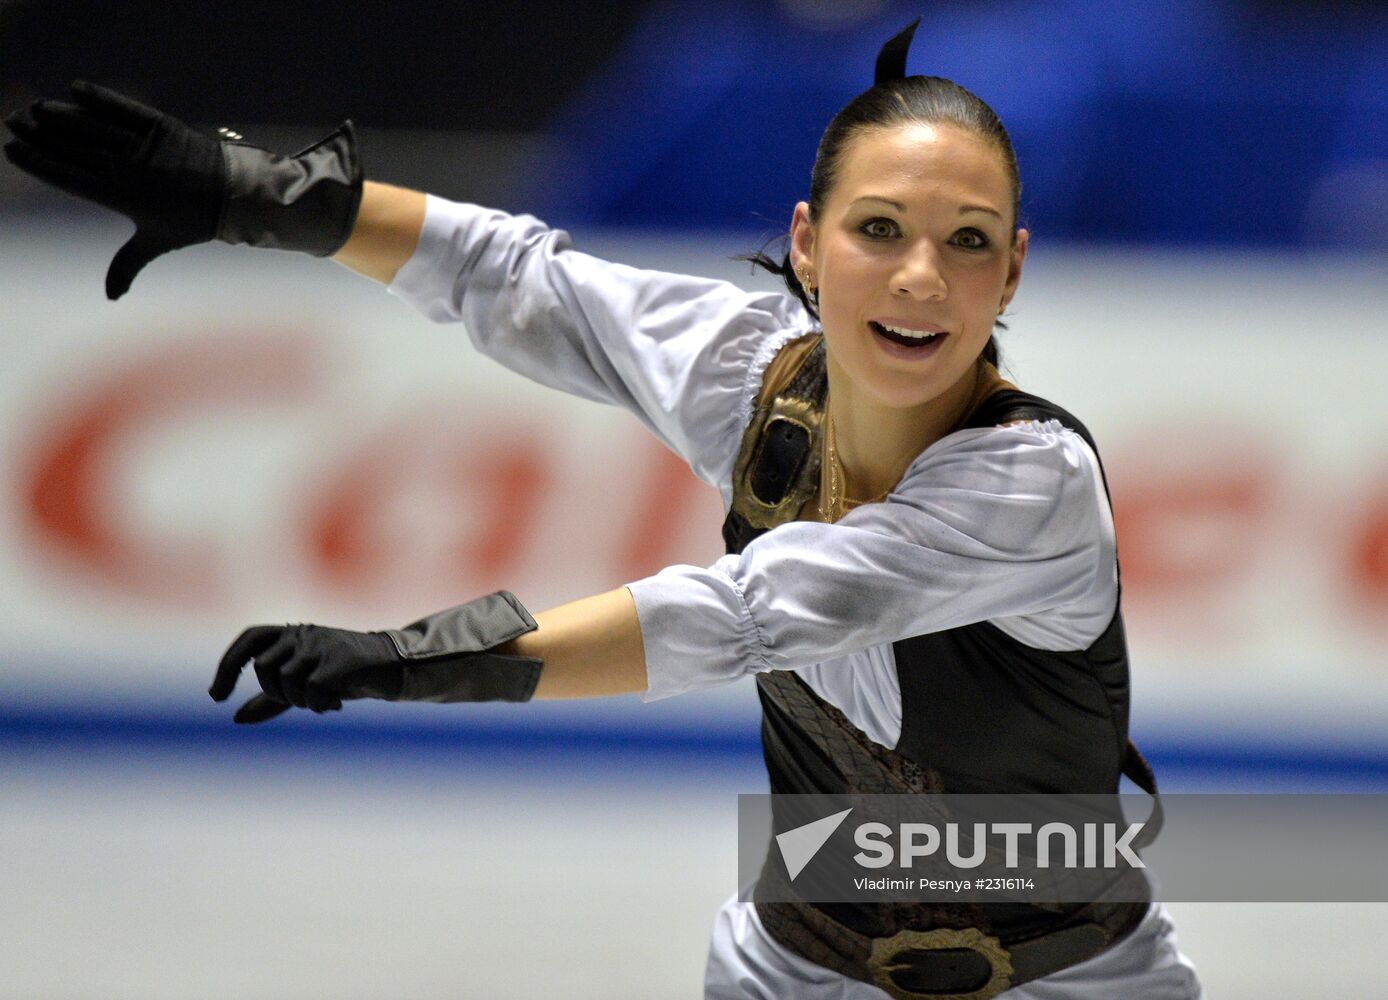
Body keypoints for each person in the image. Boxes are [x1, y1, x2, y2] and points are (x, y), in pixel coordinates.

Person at [4, 21, 1201, 999]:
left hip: (1070, 980)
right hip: (795, 968)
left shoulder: (1028, 480)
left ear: (1012, 269)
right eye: (877, 230)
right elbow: (518, 278)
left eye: (967, 241)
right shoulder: (753, 371)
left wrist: (415, 658)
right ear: (806, 243)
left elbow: (742, 613)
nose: (919, 277)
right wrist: (247, 190)